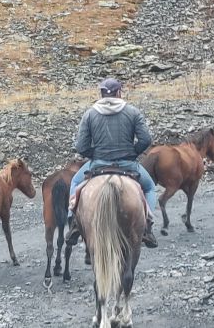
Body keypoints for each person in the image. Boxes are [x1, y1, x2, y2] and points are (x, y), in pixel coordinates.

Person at [66, 78, 158, 248]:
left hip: (99, 164)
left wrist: (94, 154)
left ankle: (73, 224)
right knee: (150, 187)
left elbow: (81, 146)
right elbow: (146, 139)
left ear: (101, 93)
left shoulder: (90, 114)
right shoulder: (132, 112)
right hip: (128, 164)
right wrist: (133, 152)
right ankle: (147, 226)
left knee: (75, 182)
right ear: (119, 92)